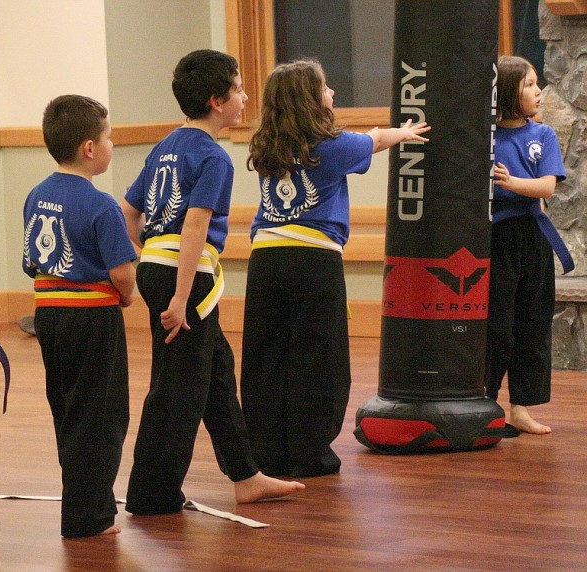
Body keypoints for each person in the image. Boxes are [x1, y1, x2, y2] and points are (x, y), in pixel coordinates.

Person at [120, 49, 305, 516]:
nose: (245, 98)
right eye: (239, 89)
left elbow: (129, 211)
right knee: (178, 386)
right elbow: (195, 226)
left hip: (160, 268)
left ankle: (245, 475)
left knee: (216, 372)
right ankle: (151, 494)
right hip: (187, 279)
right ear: (216, 100)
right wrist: (180, 296)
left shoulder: (165, 147)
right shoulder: (214, 158)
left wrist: (145, 264)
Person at [241, 59, 430, 477]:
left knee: (266, 357)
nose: (332, 95)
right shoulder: (331, 146)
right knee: (319, 359)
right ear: (311, 99)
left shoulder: (266, 147)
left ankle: (266, 453)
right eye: (326, 88)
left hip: (266, 260)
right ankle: (309, 454)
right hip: (313, 260)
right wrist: (407, 132)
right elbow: (376, 140)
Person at [22, 95, 137, 537]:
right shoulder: (101, 204)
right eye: (108, 137)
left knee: (68, 409)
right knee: (103, 415)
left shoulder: (37, 195)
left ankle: (83, 506)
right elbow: (122, 273)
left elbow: (33, 262)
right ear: (90, 148)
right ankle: (89, 516)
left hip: (49, 315)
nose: (112, 145)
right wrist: (126, 298)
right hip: (92, 318)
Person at [486, 55, 570, 435]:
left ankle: (520, 407)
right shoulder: (484, 137)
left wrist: (512, 183)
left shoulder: (542, 135)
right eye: (529, 84)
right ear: (506, 91)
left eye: (538, 84)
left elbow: (547, 186)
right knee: (496, 324)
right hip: (495, 239)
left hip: (531, 236)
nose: (538, 92)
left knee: (531, 321)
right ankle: (486, 404)